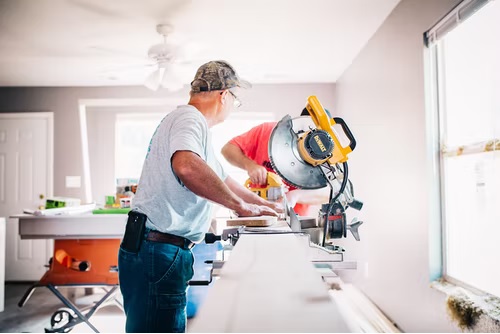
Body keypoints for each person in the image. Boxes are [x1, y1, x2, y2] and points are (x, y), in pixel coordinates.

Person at [118, 60, 281, 333]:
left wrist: (263, 205)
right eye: (234, 100)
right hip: (158, 250)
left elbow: (223, 178)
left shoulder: (192, 126)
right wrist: (241, 207)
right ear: (224, 95)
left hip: (156, 248)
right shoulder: (189, 118)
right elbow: (186, 166)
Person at [221, 111, 330, 217]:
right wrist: (249, 165)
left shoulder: (325, 156)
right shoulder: (268, 131)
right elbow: (228, 149)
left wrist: (295, 196)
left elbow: (329, 193)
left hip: (293, 219)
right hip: (256, 213)